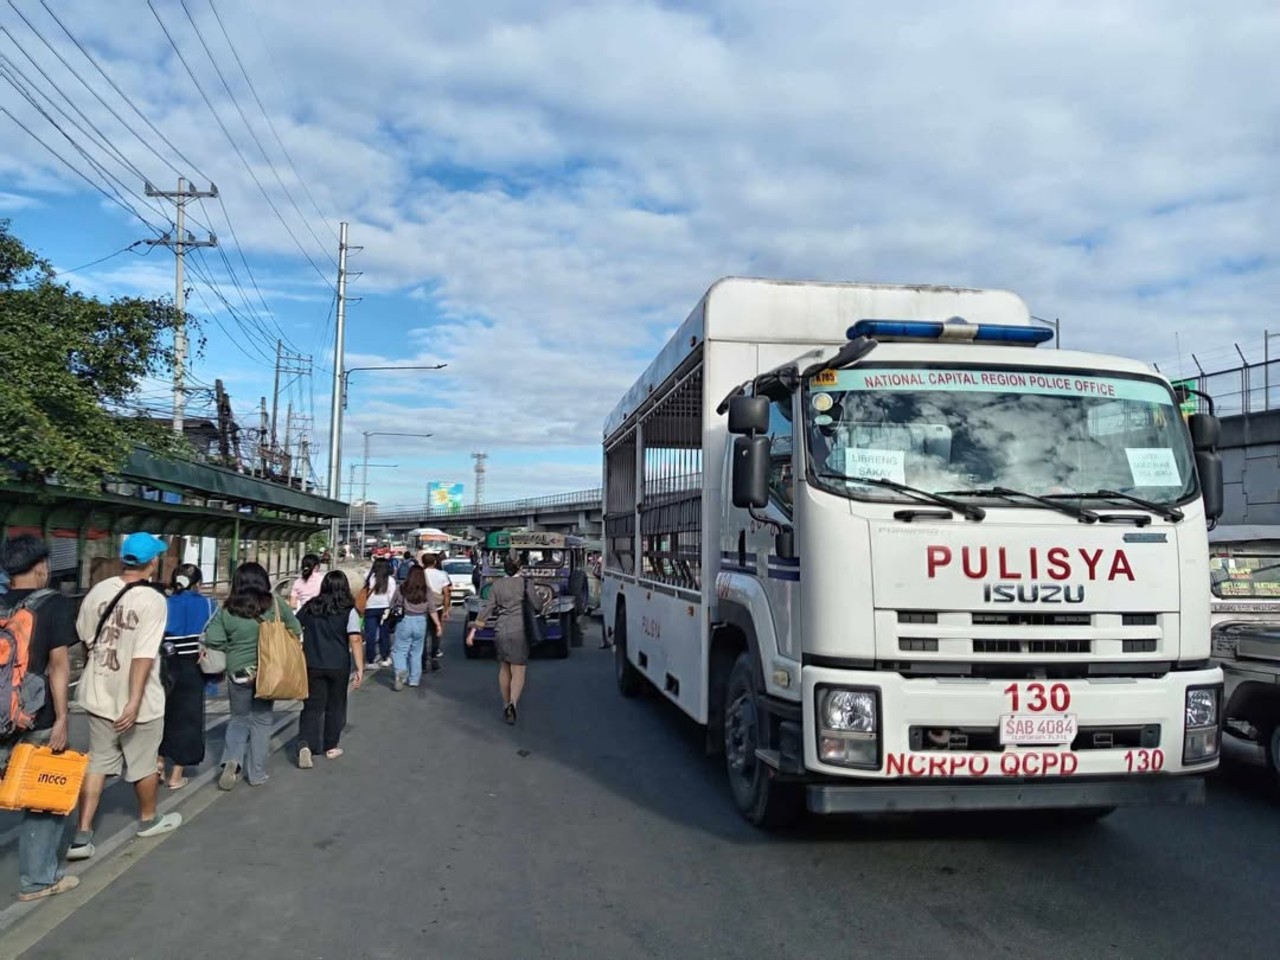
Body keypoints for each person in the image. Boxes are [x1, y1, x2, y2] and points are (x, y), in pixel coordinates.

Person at [70, 533, 182, 862]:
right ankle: (149, 819)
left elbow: (85, 636)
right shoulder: (153, 599)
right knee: (144, 761)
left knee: (99, 761)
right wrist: (133, 700)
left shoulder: (99, 590)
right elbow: (144, 656)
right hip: (139, 700)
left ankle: (83, 833)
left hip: (97, 689)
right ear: (151, 562)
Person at [0, 536, 79, 901]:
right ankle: (37, 880)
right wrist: (62, 718)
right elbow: (59, 666)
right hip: (36, 716)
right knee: (45, 796)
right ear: (41, 567)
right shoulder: (52, 605)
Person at [204, 561, 302, 790]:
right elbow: (295, 629)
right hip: (269, 672)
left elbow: (213, 639)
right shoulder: (276, 604)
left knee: (239, 719)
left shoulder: (228, 609)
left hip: (238, 673)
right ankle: (256, 773)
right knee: (261, 721)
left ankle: (232, 761)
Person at [295, 571, 364, 767]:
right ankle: (330, 746)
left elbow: (294, 626)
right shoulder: (348, 610)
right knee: (335, 705)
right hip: (338, 664)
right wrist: (360, 667)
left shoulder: (311, 607)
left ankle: (306, 744)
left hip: (312, 663)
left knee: (312, 705)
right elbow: (355, 638)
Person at [158, 564, 214, 790]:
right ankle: (176, 775)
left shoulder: (163, 604)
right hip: (193, 666)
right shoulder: (209, 605)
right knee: (188, 719)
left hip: (164, 665)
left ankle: (158, 762)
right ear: (198, 583)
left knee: (162, 715)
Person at [466, 554, 531, 724]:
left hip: (501, 629)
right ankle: (513, 703)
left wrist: (474, 631)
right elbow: (538, 604)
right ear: (520, 567)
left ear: (504, 567)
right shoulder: (526, 583)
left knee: (504, 668)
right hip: (520, 630)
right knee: (518, 670)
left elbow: (487, 608)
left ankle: (505, 703)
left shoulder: (497, 585)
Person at [391, 567, 440, 691]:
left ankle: (401, 672)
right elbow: (432, 609)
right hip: (421, 621)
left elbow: (393, 604)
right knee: (416, 652)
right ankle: (414, 679)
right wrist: (438, 625)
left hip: (404, 621)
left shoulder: (402, 588)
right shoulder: (426, 590)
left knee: (400, 651)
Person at [361, 558, 397, 668]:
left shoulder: (368, 577)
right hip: (385, 609)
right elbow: (392, 596)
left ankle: (370, 660)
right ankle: (385, 657)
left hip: (369, 608)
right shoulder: (390, 580)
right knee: (384, 634)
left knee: (370, 635)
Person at [422, 553, 452, 672]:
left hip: (422, 608)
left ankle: (422, 662)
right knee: (436, 634)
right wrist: (446, 609)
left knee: (422, 636)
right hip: (437, 608)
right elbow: (446, 594)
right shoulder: (442, 575)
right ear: (435, 562)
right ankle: (434, 657)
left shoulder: (420, 574)